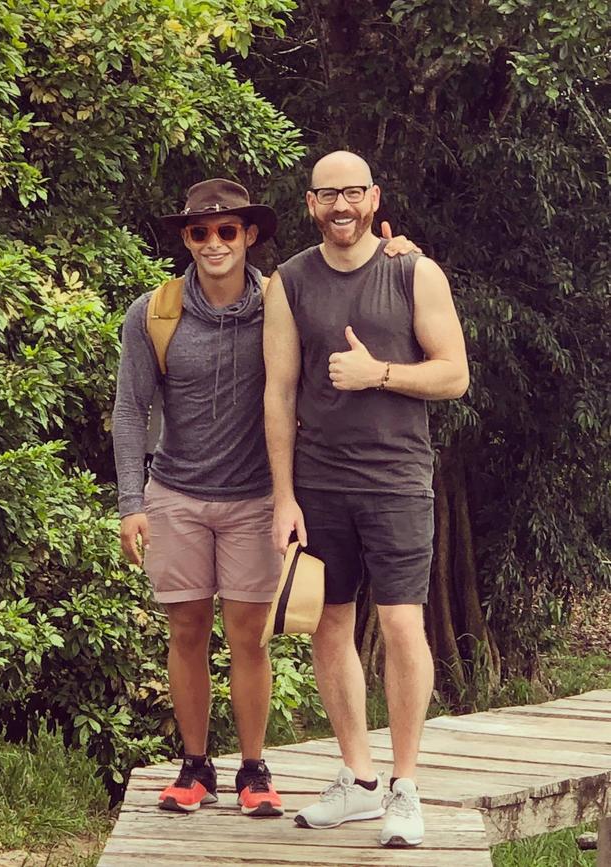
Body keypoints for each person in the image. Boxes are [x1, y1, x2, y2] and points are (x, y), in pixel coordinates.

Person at [112, 176, 418, 820]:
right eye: (200, 231)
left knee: (249, 638)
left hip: (258, 497)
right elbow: (130, 413)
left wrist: (395, 257)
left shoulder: (284, 298)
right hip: (176, 495)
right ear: (187, 239)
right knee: (186, 631)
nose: (214, 242)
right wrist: (131, 503)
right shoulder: (154, 312)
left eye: (228, 230)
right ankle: (195, 767)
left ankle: (254, 769)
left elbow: (351, 294)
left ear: (250, 234)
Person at [263, 151, 469, 847]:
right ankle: (357, 779)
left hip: (397, 480)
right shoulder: (289, 281)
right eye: (329, 195)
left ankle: (405, 786)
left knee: (403, 625)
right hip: (318, 482)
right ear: (311, 204)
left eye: (354, 191)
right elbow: (279, 393)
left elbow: (454, 376)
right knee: (329, 625)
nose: (342, 205)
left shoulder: (415, 271)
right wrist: (283, 496)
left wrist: (377, 372)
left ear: (374, 196)